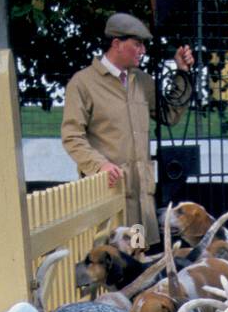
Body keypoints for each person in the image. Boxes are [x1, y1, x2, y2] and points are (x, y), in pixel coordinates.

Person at [61, 12, 195, 248]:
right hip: (108, 197)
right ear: (116, 44)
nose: (143, 50)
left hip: (142, 201)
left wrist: (182, 72)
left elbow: (169, 114)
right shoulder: (82, 83)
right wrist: (99, 165)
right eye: (137, 44)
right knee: (110, 263)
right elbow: (72, 137)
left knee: (142, 263)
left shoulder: (141, 81)